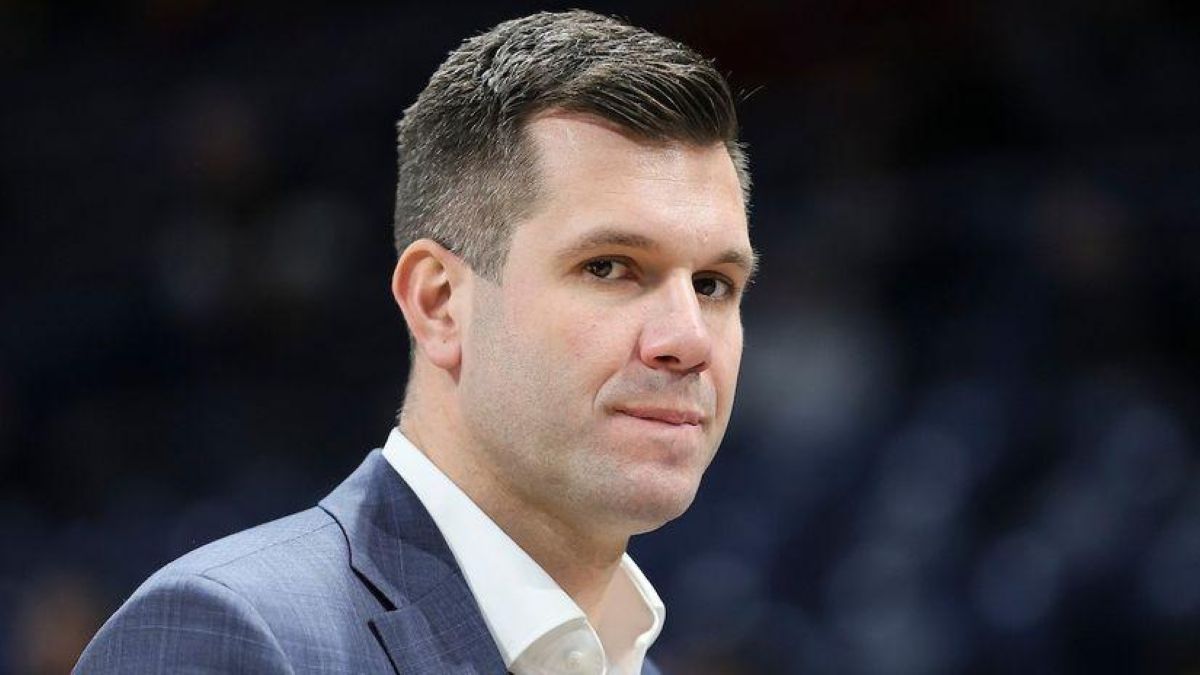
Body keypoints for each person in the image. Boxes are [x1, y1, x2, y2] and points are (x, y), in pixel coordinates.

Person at [76, 9, 755, 674]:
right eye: (608, 267)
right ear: (439, 304)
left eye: (714, 284)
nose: (688, 338)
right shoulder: (233, 634)